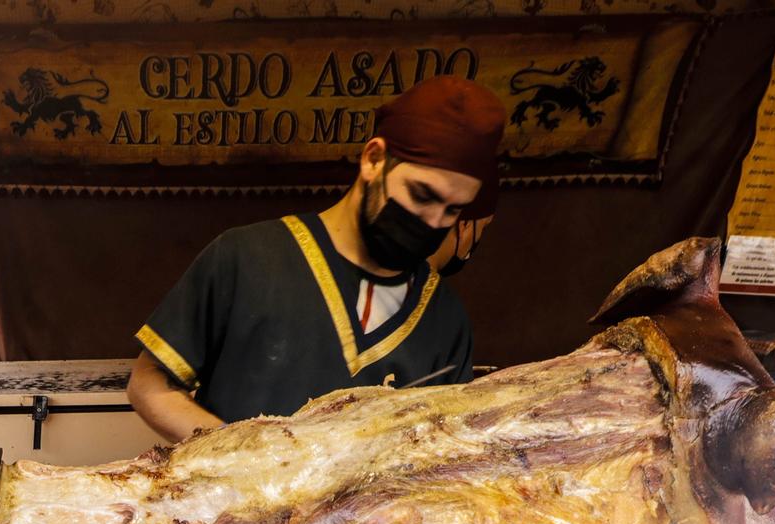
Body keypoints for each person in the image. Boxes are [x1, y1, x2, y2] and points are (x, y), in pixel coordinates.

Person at [129, 76, 505, 442]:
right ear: (374, 159)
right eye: (422, 195)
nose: (434, 222)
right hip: (226, 502)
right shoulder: (246, 258)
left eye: (453, 210)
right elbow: (150, 385)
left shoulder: (446, 321)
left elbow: (440, 450)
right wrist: (241, 459)